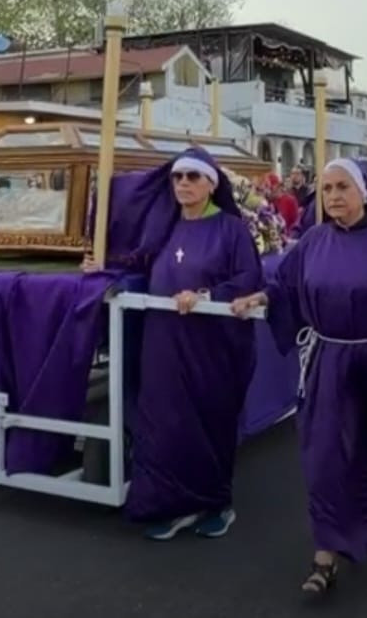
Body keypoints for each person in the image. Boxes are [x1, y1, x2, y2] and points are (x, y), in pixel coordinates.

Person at [232, 158, 367, 597]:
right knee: (323, 456)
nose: (333, 196)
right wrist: (260, 297)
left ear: (364, 191)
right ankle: (325, 552)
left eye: (342, 187)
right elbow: (285, 286)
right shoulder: (313, 240)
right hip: (329, 360)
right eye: (327, 188)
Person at [85, 147, 262, 541]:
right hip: (163, 341)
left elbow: (249, 279)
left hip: (210, 345)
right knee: (163, 423)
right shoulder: (166, 225)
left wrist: (205, 295)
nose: (183, 184)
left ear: (211, 184)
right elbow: (140, 261)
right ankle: (170, 505)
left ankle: (215, 504)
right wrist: (104, 267)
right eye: (177, 177)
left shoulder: (231, 229)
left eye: (192, 177)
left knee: (207, 421)